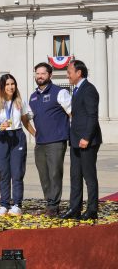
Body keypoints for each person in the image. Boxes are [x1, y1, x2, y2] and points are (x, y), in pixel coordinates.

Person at [61, 60, 102, 220]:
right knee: (75, 175)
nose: (67, 75)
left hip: (87, 141)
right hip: (76, 140)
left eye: (70, 71)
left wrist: (86, 137)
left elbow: (92, 116)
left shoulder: (89, 90)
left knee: (89, 176)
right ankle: (75, 208)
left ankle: (92, 210)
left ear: (79, 73)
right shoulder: (77, 89)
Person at [0, 74, 35, 216]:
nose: (10, 87)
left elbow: (25, 121)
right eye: (7, 84)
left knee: (17, 172)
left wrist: (36, 135)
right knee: (3, 172)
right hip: (2, 138)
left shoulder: (20, 102)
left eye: (12, 84)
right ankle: (4, 205)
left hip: (17, 137)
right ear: (2, 87)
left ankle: (17, 204)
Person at [29, 62, 71, 216]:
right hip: (40, 142)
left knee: (54, 173)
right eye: (37, 73)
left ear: (50, 75)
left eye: (43, 73)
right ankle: (49, 201)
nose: (40, 76)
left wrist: (72, 133)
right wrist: (34, 133)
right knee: (44, 174)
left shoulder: (60, 92)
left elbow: (72, 113)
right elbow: (27, 117)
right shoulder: (33, 97)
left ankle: (53, 205)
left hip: (56, 141)